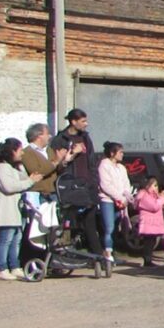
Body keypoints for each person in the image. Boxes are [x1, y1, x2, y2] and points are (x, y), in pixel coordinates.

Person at [49, 108, 105, 257]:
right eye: (83, 121)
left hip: (87, 185)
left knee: (90, 222)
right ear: (73, 122)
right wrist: (73, 153)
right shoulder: (60, 139)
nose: (86, 124)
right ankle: (64, 254)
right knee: (68, 222)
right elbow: (58, 166)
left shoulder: (85, 137)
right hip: (70, 187)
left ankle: (97, 255)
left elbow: (92, 162)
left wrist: (95, 181)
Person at [0, 138, 43, 280]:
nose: (22, 153)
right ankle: (2, 268)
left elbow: (23, 179)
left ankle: (15, 266)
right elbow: (10, 187)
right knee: (5, 240)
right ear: (12, 151)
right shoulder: (2, 168)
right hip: (6, 211)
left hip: (16, 211)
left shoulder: (12, 168)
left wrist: (25, 173)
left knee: (16, 239)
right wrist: (30, 181)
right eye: (20, 150)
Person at [98, 141, 132, 264]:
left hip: (120, 202)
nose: (122, 154)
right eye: (120, 152)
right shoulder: (104, 165)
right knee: (109, 227)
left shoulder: (121, 168)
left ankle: (112, 252)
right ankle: (107, 253)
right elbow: (105, 185)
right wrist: (119, 197)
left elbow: (126, 183)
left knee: (116, 228)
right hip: (108, 200)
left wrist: (126, 197)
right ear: (112, 153)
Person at [22, 123, 72, 201]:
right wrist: (56, 161)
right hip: (39, 195)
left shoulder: (49, 150)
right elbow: (37, 172)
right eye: (47, 134)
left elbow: (56, 170)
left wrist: (64, 161)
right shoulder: (27, 152)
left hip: (54, 193)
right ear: (39, 136)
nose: (50, 136)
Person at [134, 177, 164, 267]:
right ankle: (147, 260)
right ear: (148, 186)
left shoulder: (154, 195)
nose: (157, 187)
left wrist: (162, 197)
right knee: (148, 242)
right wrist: (162, 198)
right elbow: (154, 206)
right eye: (154, 185)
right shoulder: (144, 195)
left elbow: (161, 205)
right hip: (148, 224)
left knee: (152, 242)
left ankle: (149, 259)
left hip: (154, 223)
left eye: (157, 185)